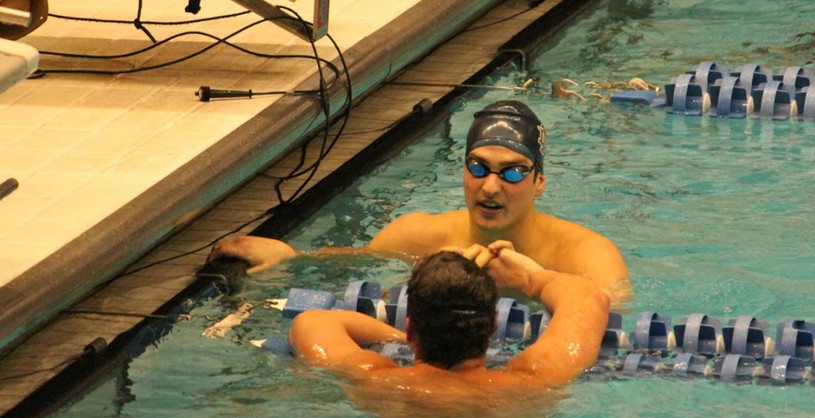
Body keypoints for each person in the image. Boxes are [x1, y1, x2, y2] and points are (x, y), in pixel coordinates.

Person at [209, 100, 631, 302]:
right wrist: (290, 258)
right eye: (478, 166)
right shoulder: (418, 233)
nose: (490, 186)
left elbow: (614, 308)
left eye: (514, 172)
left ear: (539, 182)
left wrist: (533, 283)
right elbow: (352, 265)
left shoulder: (583, 252)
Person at [288, 243, 610, 418]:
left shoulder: (375, 382)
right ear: (493, 327)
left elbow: (312, 322)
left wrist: (397, 337)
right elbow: (588, 297)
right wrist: (529, 277)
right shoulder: (534, 382)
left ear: (412, 328)